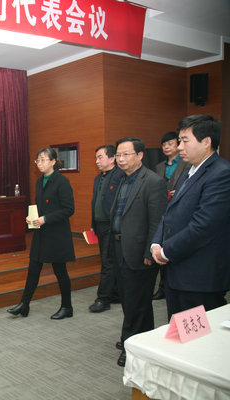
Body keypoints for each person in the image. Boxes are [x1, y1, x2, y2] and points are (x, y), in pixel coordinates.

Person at [151, 115, 230, 319]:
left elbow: (204, 226)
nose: (179, 147)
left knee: (200, 335)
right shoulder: (190, 171)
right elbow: (170, 212)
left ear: (206, 142)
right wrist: (156, 243)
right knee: (179, 329)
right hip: (179, 272)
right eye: (179, 141)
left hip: (199, 276)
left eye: (185, 141)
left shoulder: (221, 173)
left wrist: (166, 251)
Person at [110, 137, 167, 367]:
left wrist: (149, 252)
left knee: (138, 301)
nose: (121, 159)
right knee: (128, 299)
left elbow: (157, 221)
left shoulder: (153, 181)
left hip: (140, 252)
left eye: (126, 154)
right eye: (118, 155)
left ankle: (131, 345)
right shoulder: (122, 179)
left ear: (140, 155)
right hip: (120, 248)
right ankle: (139, 339)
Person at [8, 148, 75, 320]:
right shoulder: (39, 181)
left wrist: (45, 218)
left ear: (53, 162)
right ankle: (24, 304)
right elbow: (39, 205)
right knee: (33, 269)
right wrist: (32, 217)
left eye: (44, 159)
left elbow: (68, 209)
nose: (40, 163)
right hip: (41, 232)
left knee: (60, 271)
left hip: (56, 233)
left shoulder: (62, 181)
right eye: (38, 160)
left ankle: (67, 307)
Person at [152, 131, 191, 300]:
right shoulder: (159, 166)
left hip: (180, 211)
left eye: (170, 144)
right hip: (162, 209)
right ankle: (163, 286)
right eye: (164, 145)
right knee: (161, 245)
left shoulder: (187, 163)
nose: (166, 147)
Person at [88, 145, 123, 313]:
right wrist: (93, 224)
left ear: (112, 158)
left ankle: (103, 298)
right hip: (99, 224)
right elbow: (95, 202)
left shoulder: (119, 176)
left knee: (108, 262)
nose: (97, 161)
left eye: (100, 157)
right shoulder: (98, 178)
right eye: (96, 157)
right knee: (108, 260)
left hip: (111, 225)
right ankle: (115, 293)